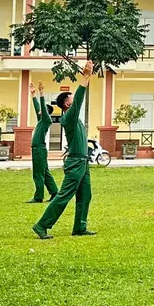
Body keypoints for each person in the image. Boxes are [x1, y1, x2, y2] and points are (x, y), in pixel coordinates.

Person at [33, 61, 96, 239]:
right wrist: (85, 77)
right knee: (64, 196)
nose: (72, 99)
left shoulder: (74, 119)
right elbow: (79, 99)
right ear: (67, 104)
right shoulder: (68, 117)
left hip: (83, 162)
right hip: (75, 162)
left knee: (85, 196)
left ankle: (80, 227)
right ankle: (41, 225)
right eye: (70, 98)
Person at [28, 82, 59, 203]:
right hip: (39, 150)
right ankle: (55, 193)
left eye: (43, 109)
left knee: (38, 174)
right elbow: (37, 108)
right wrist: (33, 95)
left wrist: (41, 94)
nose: (39, 110)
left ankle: (38, 197)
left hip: (39, 150)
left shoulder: (47, 120)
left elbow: (42, 110)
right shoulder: (41, 120)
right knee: (45, 173)